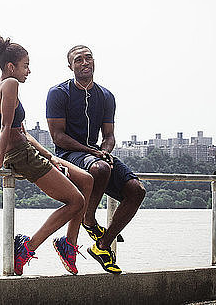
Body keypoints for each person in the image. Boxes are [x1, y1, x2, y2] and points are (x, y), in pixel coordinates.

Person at [0, 35, 93, 276]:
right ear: (11, 67)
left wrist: (50, 156)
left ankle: (69, 246)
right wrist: (0, 161)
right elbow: (3, 130)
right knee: (76, 202)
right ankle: (27, 248)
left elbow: (21, 130)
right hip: (21, 156)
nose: (29, 71)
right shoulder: (10, 84)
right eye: (26, 65)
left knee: (86, 179)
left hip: (28, 151)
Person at [46, 45, 146, 274]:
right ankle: (88, 219)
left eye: (88, 58)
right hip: (68, 156)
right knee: (100, 168)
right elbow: (58, 137)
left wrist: (105, 150)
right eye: (78, 59)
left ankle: (102, 246)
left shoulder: (106, 96)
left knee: (136, 189)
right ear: (70, 66)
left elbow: (109, 135)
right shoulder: (59, 93)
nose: (84, 62)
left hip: (96, 156)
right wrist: (91, 152)